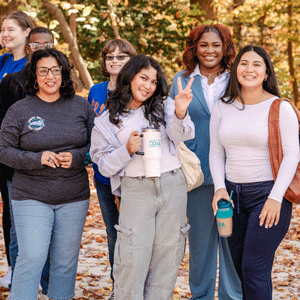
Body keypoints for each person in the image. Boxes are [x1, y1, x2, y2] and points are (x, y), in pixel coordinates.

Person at [90, 54, 195, 299]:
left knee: (168, 256)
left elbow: (183, 135)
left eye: (153, 82)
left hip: (172, 184)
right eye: (143, 78)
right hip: (135, 189)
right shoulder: (106, 121)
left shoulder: (166, 105)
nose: (148, 86)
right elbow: (103, 165)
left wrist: (180, 113)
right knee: (131, 257)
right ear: (129, 77)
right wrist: (126, 150)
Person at [0, 48, 95, 300]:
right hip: (30, 194)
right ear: (35, 75)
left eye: (56, 70)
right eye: (43, 71)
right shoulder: (20, 110)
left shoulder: (82, 107)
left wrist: (76, 157)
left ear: (64, 74)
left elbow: (97, 147)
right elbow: (3, 151)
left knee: (64, 262)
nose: (50, 76)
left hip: (73, 196)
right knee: (32, 256)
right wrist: (36, 158)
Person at [209, 45, 299, 299]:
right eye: (244, 63)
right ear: (236, 69)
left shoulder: (280, 107)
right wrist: (219, 188)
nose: (249, 69)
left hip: (267, 195)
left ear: (266, 72)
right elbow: (216, 152)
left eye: (256, 64)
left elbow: (292, 154)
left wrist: (275, 198)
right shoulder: (223, 106)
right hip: (231, 199)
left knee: (254, 269)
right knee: (242, 270)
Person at [170, 24, 241, 299]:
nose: (209, 50)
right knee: (200, 246)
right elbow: (172, 128)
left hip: (235, 174)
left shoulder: (238, 79)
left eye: (216, 44)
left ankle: (231, 296)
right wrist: (178, 110)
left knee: (231, 243)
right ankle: (199, 296)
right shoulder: (181, 79)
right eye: (203, 45)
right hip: (197, 176)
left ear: (225, 48)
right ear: (194, 48)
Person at [0, 27, 55, 298]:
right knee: (19, 232)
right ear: (28, 49)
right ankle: (21, 286)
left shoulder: (63, 80)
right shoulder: (11, 82)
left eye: (47, 44)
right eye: (35, 46)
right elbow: (4, 131)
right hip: (18, 170)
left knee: (51, 236)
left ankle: (48, 287)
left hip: (55, 173)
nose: (41, 49)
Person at [88, 39, 137, 298]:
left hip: (132, 174)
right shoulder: (95, 91)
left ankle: (135, 286)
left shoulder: (138, 89)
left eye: (121, 57)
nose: (115, 61)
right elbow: (90, 130)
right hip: (104, 175)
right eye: (110, 57)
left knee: (134, 232)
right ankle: (118, 286)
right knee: (112, 231)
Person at [0, 10, 34, 288]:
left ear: (26, 32)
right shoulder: (2, 62)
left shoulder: (33, 67)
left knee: (16, 209)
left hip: (18, 148)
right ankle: (14, 265)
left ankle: (22, 267)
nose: (5, 34)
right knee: (6, 211)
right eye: (2, 29)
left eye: (11, 29)